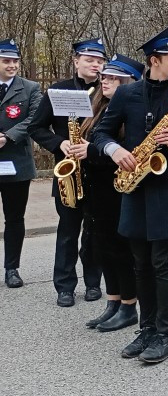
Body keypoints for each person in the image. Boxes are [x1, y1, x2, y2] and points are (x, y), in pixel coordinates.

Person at [92, 26, 168, 364]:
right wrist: (115, 151)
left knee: (162, 264)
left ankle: (165, 335)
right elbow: (101, 133)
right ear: (154, 60)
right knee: (140, 264)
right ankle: (145, 329)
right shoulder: (127, 95)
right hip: (135, 188)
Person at [29, 36, 106, 307]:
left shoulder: (107, 92)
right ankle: (64, 286)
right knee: (67, 232)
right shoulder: (57, 91)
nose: (95, 65)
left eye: (99, 60)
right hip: (67, 172)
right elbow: (36, 127)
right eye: (89, 60)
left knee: (94, 231)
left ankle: (94, 282)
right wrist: (58, 143)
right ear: (76, 62)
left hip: (96, 170)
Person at [79, 54, 144, 332]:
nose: (105, 81)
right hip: (97, 188)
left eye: (113, 78)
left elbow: (128, 152)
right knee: (102, 247)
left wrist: (89, 150)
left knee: (120, 250)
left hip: (117, 188)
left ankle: (129, 305)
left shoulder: (131, 109)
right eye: (105, 76)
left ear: (128, 82)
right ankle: (113, 301)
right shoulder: (99, 105)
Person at [0, 39, 43, 289]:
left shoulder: (29, 88)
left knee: (14, 218)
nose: (12, 65)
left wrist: (7, 136)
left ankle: (12, 268)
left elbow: (34, 119)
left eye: (15, 61)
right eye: (6, 61)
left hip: (16, 162)